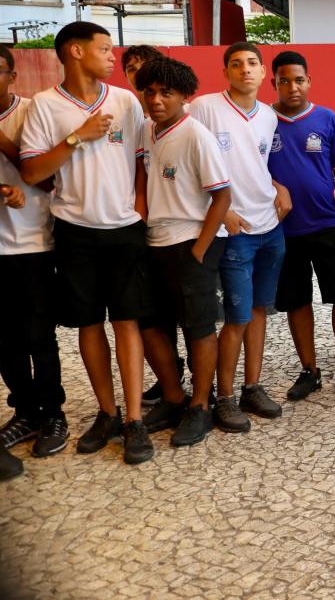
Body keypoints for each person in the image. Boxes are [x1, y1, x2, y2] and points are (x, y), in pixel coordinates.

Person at [19, 22, 155, 463]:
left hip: (124, 229)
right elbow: (33, 173)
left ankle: (134, 420)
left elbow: (140, 162)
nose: (113, 56)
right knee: (89, 323)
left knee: (128, 321)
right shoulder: (44, 105)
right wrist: (78, 136)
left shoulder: (125, 100)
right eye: (105, 48)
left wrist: (137, 208)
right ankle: (107, 412)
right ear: (75, 51)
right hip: (74, 230)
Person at [188, 42, 291, 434]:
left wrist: (279, 185)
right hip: (234, 231)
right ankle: (225, 396)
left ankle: (252, 386)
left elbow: (256, 165)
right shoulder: (204, 108)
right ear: (226, 72)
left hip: (270, 226)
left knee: (261, 310)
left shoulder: (268, 115)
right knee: (236, 317)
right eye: (236, 64)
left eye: (252, 63)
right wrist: (220, 209)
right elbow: (189, 163)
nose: (245, 70)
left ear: (264, 72)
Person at [267, 51, 335, 403]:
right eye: (285, 80)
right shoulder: (263, 121)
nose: (293, 87)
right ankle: (309, 371)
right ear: (275, 83)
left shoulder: (327, 119)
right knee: (296, 301)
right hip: (283, 229)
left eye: (299, 79)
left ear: (309, 81)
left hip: (330, 224)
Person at [134, 57, 231, 447]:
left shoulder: (196, 135)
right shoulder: (146, 131)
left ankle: (201, 405)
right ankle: (174, 397)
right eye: (150, 92)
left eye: (166, 93)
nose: (156, 99)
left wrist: (199, 251)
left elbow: (222, 196)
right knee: (152, 325)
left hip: (192, 242)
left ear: (183, 96)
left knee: (199, 327)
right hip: (154, 243)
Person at [0, 44, 66, 461]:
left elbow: (46, 182)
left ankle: (53, 413)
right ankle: (24, 411)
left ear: (12, 75)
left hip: (32, 242)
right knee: (5, 339)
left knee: (39, 335)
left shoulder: (30, 113)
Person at [120, 42, 184, 406]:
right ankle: (168, 377)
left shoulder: (174, 115)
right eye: (131, 67)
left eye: (145, 64)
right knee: (152, 311)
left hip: (175, 228)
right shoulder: (127, 113)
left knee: (183, 311)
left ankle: (195, 386)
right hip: (137, 226)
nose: (137, 71)